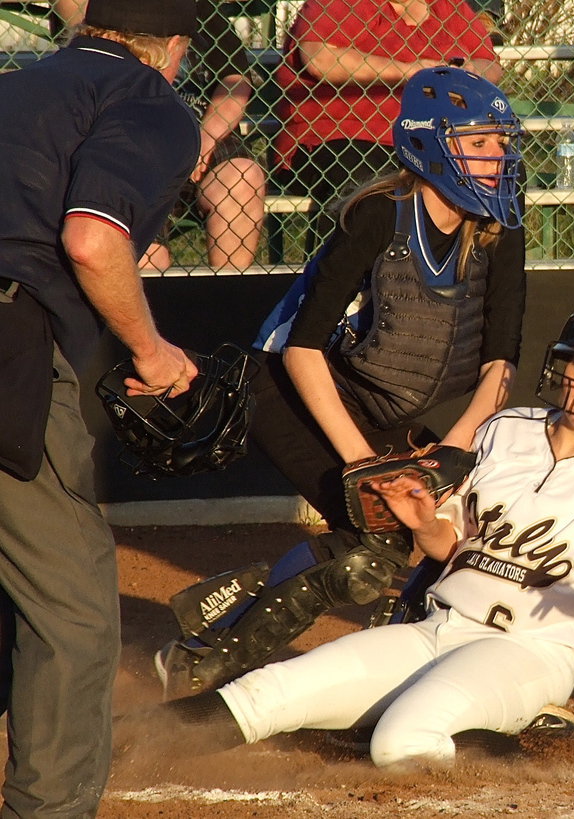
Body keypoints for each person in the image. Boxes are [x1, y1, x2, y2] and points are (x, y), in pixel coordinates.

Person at [122, 296, 574, 768]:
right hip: (438, 628)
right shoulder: (507, 431)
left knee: (402, 740)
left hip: (530, 651)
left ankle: (521, 743)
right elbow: (448, 548)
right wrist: (423, 521)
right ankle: (107, 744)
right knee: (269, 692)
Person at [155, 65, 526, 700]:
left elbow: (501, 364)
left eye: (501, 141)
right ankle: (203, 657)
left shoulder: (498, 227)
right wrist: (362, 463)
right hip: (287, 388)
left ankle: (409, 664)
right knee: (372, 548)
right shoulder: (379, 218)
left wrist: (452, 452)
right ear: (429, 144)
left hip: (381, 406)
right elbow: (301, 351)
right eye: (480, 141)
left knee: (460, 528)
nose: (499, 157)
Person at [0, 0, 201, 813]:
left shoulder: (18, 87)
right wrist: (151, 350)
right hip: (13, 341)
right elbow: (91, 236)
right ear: (175, 47)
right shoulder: (149, 100)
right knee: (75, 615)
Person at [275, 0, 503, 250]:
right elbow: (320, 57)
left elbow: (488, 63)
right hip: (343, 133)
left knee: (499, 171)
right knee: (364, 175)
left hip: (431, 139)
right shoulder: (341, 4)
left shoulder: (447, 6)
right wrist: (408, 71)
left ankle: (469, 276)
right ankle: (341, 280)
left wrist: (466, 73)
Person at [139, 0, 267, 271]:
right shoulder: (118, 15)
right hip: (144, 142)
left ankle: (227, 298)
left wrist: (203, 139)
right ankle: (147, 303)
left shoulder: (202, 12)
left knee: (243, 176)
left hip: (203, 136)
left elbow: (237, 82)